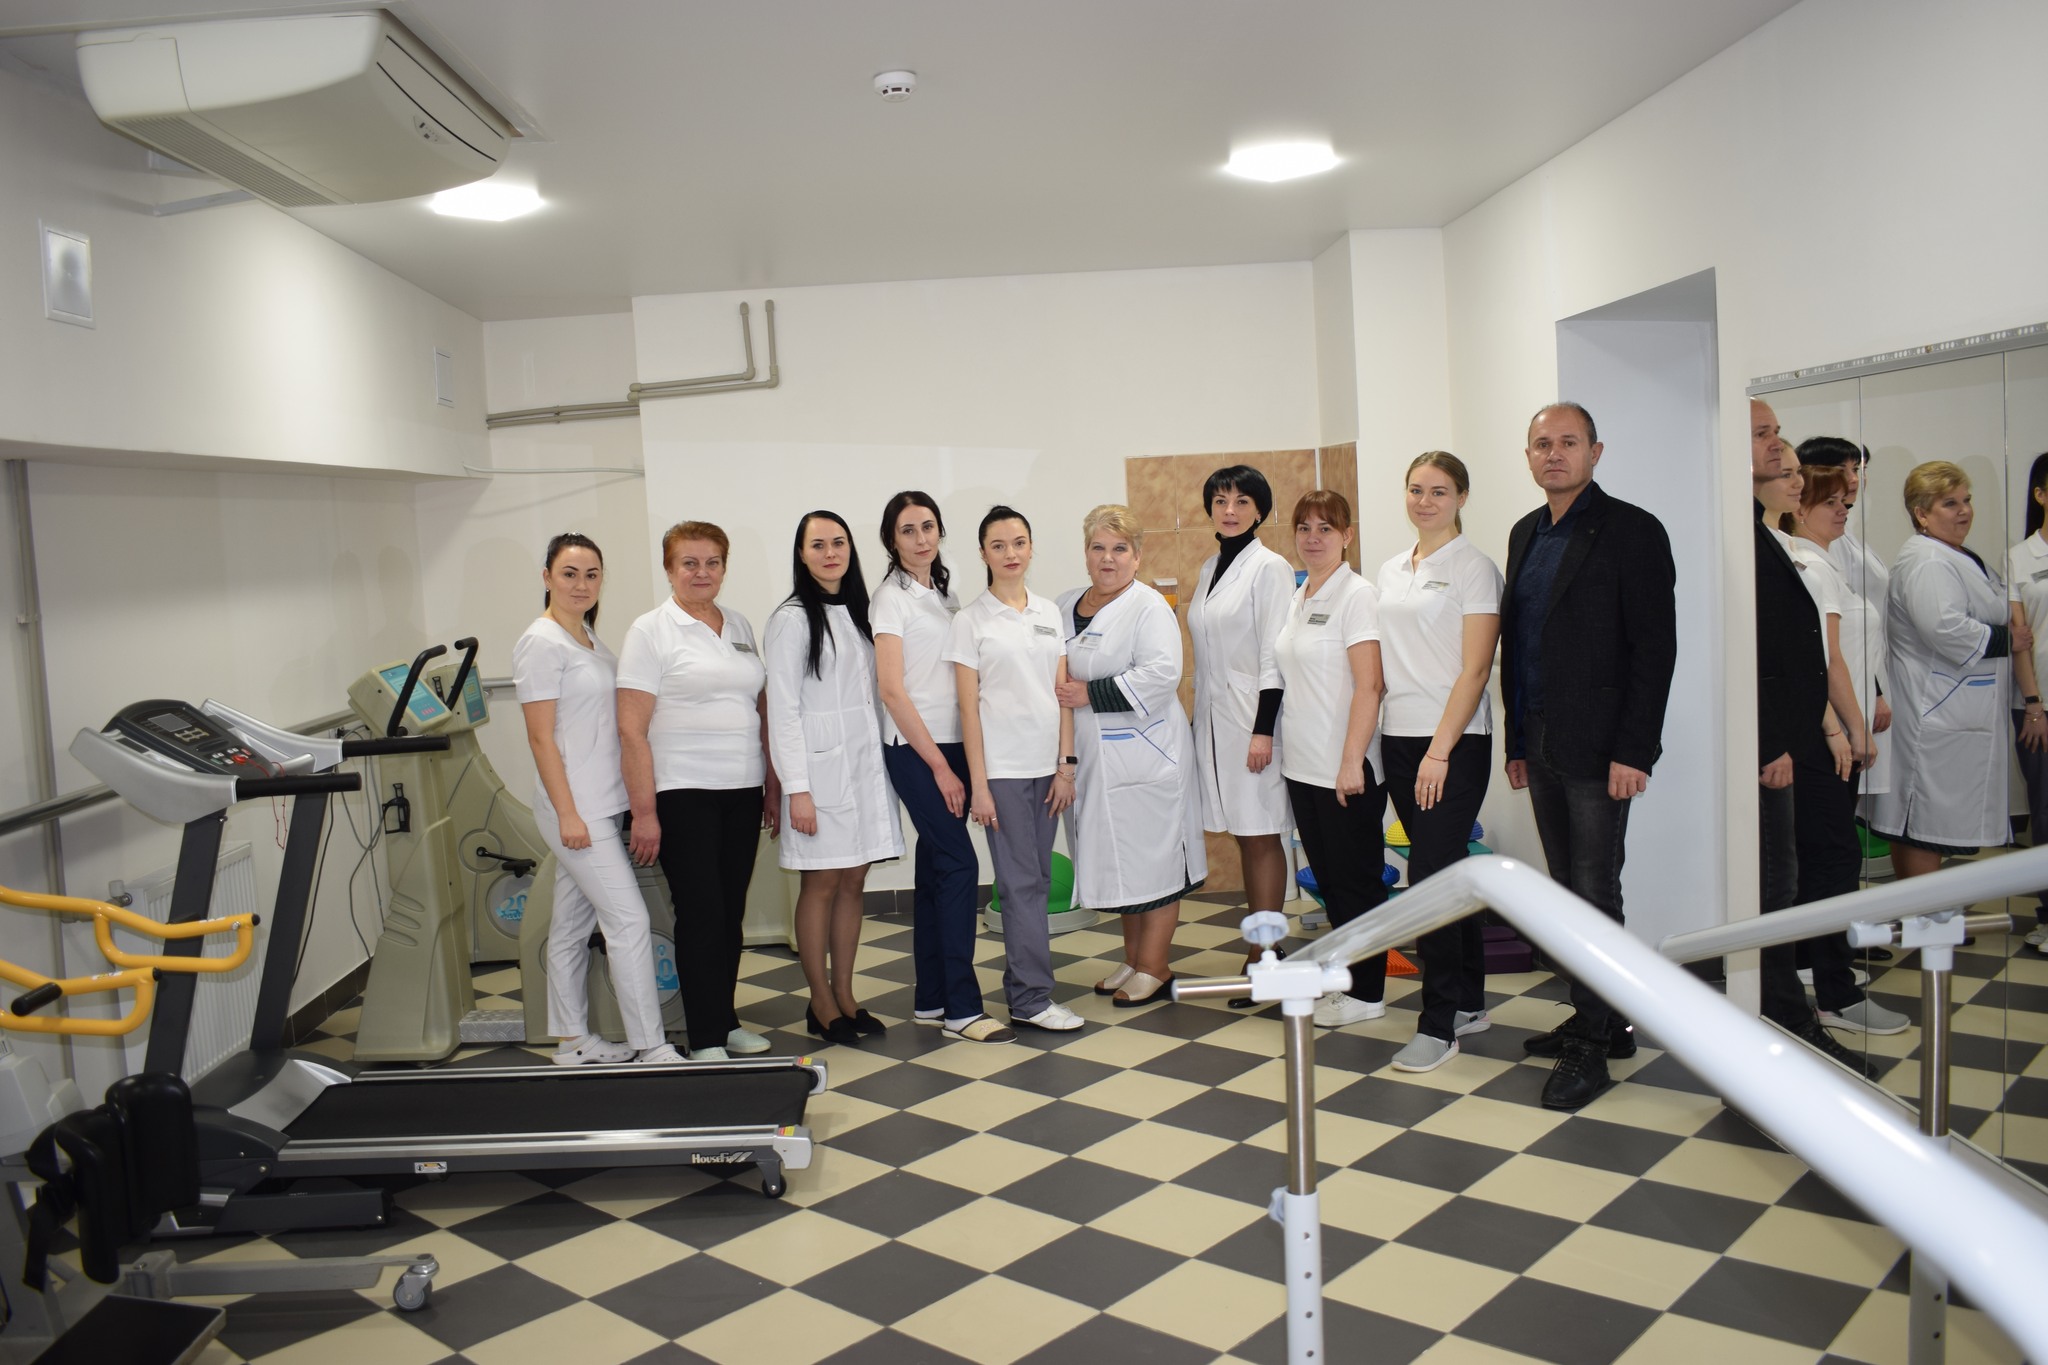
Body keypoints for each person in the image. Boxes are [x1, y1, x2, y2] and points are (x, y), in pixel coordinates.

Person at [1499, 402, 1677, 1110]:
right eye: (1542, 443)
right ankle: (1601, 1020)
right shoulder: (1525, 532)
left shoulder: (1633, 530)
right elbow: (1519, 646)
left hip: (1602, 749)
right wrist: (1516, 740)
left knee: (1595, 892)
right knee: (1566, 889)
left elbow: (1654, 650)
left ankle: (1594, 1045)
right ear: (1528, 455)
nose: (1554, 454)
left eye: (1568, 442)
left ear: (1595, 452)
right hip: (1541, 738)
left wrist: (1635, 750)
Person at [512, 532, 682, 1066]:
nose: (581, 584)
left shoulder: (585, 636)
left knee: (569, 926)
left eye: (591, 575)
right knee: (628, 921)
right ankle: (650, 1045)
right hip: (577, 809)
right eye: (569, 574)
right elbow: (540, 738)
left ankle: (571, 1041)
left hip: (602, 803)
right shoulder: (541, 642)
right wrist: (568, 814)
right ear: (547, 577)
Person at [617, 521, 778, 1062]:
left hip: (743, 787)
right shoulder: (650, 631)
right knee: (702, 913)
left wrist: (771, 784)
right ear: (669, 569)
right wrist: (644, 812)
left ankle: (724, 1022)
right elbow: (631, 730)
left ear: (725, 567)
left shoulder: (738, 624)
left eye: (712, 562)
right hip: (683, 791)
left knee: (730, 912)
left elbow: (759, 706)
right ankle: (705, 1038)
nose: (702, 572)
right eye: (689, 563)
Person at [1374, 455, 1503, 1071]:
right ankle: (1469, 1001)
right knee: (1445, 871)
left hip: (1454, 741)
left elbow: (1475, 670)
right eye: (1416, 490)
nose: (1425, 501)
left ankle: (1439, 1023)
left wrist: (1440, 751)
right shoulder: (1390, 569)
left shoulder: (1474, 568)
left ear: (1462, 497)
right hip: (1399, 736)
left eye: (1440, 491)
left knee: (1428, 875)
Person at [1055, 504, 1206, 1007]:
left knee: (1153, 861)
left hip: (1147, 754)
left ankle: (1155, 966)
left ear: (1137, 556)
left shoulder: (1148, 607)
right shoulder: (1064, 605)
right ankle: (1133, 959)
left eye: (1119, 548)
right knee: (1120, 860)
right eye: (1098, 547)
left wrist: (1089, 693)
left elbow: (1162, 674)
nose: (1108, 558)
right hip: (1093, 757)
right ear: (1085, 553)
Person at [872, 492, 1010, 1044]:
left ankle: (930, 999)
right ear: (892, 540)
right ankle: (962, 1009)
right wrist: (940, 767)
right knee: (958, 865)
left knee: (934, 868)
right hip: (916, 750)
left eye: (928, 527)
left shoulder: (944, 595)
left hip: (952, 745)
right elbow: (891, 690)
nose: (921, 538)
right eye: (908, 530)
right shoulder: (891, 599)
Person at [764, 510, 904, 1047]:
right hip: (817, 774)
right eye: (818, 544)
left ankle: (846, 995)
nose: (830, 553)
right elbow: (783, 710)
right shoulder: (791, 619)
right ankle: (819, 1001)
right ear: (801, 555)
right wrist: (796, 788)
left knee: (853, 880)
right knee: (820, 882)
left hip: (863, 766)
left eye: (838, 543)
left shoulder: (862, 612)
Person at [1780, 466, 1909, 1036]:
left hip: (1832, 728)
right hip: (1821, 734)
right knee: (1833, 856)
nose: (1842, 510)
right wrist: (1848, 728)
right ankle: (1836, 992)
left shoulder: (1832, 566)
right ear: (1798, 507)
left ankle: (1816, 967)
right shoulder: (1807, 567)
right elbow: (1818, 663)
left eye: (1846, 503)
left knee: (1825, 855)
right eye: (1828, 501)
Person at [949, 506, 1085, 1033]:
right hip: (1002, 771)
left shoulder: (1049, 612)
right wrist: (979, 786)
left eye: (1019, 542)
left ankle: (1025, 991)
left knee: (1038, 878)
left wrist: (1066, 766)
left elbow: (1063, 694)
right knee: (1020, 881)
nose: (1011, 553)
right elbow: (968, 710)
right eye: (999, 545)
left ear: (1031, 547)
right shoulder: (970, 621)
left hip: (1047, 768)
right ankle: (1031, 999)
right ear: (983, 554)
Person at [1273, 491, 1390, 1029]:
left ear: (1347, 536)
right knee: (1330, 880)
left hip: (1344, 769)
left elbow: (1370, 685)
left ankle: (1368, 992)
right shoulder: (1301, 595)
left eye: (1326, 528)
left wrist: (1351, 762)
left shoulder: (1357, 595)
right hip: (1303, 767)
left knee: (1356, 883)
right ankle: (1347, 981)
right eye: (1304, 528)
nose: (1313, 538)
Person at [1867, 463, 2015, 879]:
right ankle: (1925, 912)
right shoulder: (1928, 560)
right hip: (1932, 710)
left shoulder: (1953, 554)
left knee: (1922, 823)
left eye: (1966, 500)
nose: (1964, 511)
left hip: (1952, 706)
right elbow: (1944, 627)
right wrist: (2008, 639)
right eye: (1950, 503)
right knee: (1921, 826)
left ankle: (1923, 911)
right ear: (1921, 513)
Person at [1185, 465, 1294, 1006]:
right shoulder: (1210, 567)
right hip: (1215, 721)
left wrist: (1262, 730)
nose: (1230, 510)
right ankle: (1263, 947)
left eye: (1242, 501)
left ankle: (1265, 954)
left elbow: (1275, 654)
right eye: (1221, 500)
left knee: (1261, 833)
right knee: (1245, 832)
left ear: (1259, 511)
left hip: (1254, 724)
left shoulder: (1270, 568)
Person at [2007, 451, 2048, 952]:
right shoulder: (2020, 557)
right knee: (2046, 812)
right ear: (2040, 495)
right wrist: (2034, 704)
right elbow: (2020, 639)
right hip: (2038, 707)